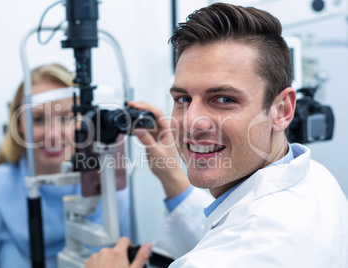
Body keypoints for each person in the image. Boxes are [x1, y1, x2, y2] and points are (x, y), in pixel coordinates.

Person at [85, 3, 348, 268]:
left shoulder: (235, 256)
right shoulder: (316, 178)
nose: (190, 122)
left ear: (282, 110)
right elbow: (224, 228)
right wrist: (170, 173)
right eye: (183, 98)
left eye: (223, 99)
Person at [0, 63, 131, 268]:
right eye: (38, 119)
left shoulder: (111, 191)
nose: (53, 134)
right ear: (19, 125)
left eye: (66, 118)